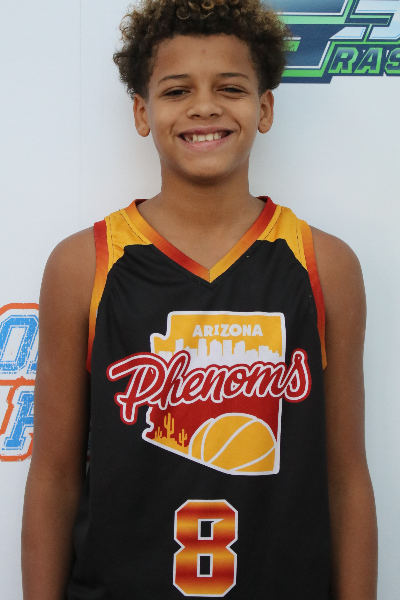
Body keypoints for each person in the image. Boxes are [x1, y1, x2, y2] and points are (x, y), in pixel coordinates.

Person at [21, 0, 378, 598]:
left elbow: (345, 479)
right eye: (177, 90)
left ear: (265, 108)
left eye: (230, 88)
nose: (205, 106)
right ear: (142, 112)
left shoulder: (325, 264)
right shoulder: (84, 264)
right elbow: (54, 478)